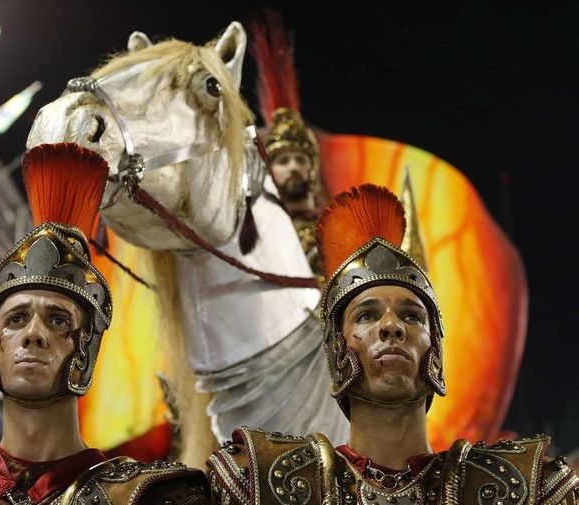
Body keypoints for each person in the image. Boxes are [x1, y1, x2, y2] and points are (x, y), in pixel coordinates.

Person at [207, 183, 578, 505]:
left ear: (435, 350)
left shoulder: (520, 486)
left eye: (412, 316)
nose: (391, 326)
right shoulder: (262, 483)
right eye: (367, 315)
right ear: (338, 351)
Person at [0, 143, 210, 504]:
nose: (33, 335)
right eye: (16, 319)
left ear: (87, 349)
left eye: (58, 320)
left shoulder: (149, 496)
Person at [250, 10, 327, 283]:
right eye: (283, 161)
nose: (293, 166)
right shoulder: (259, 231)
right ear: (271, 171)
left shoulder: (335, 228)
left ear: (312, 167)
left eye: (299, 159)